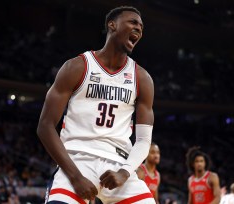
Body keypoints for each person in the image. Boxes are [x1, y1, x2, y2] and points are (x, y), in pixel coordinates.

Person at [37, 5, 155, 204]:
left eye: (141, 27)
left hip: (119, 165)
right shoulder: (77, 66)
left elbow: (144, 141)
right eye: (133, 22)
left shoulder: (142, 78)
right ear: (112, 25)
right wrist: (75, 176)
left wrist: (124, 173)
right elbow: (45, 126)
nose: (138, 29)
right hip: (77, 159)